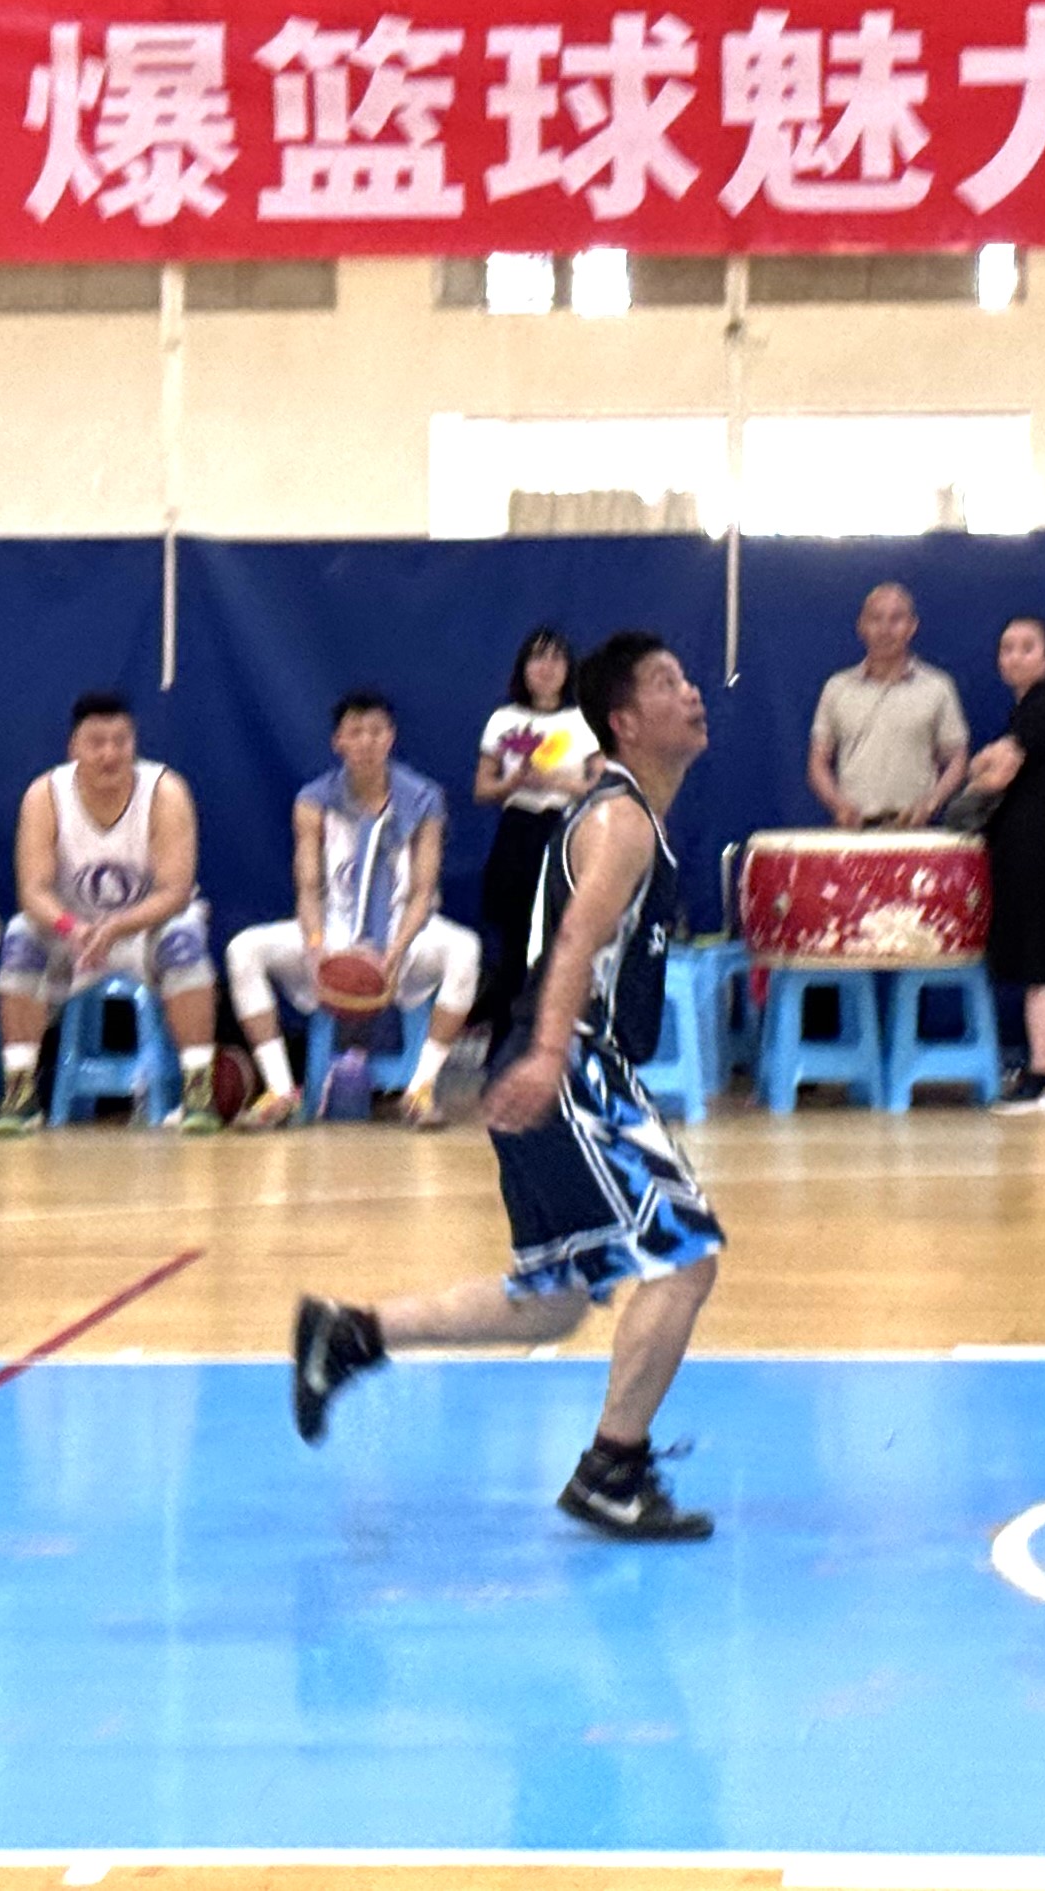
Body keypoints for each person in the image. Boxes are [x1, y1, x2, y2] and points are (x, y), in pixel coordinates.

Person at [290, 631, 726, 1542]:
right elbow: (573, 942)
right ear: (623, 720)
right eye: (667, 682)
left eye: (688, 679)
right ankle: (612, 1469)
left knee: (556, 1298)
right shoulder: (621, 821)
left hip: (562, 1062)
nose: (691, 692)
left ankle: (352, 1333)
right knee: (684, 1257)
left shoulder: (629, 812)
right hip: (570, 1065)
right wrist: (550, 1053)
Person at [229, 693, 482, 1129]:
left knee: (466, 949)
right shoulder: (314, 801)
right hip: (334, 932)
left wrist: (395, 952)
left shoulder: (423, 799)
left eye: (376, 732)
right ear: (338, 741)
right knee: (243, 949)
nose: (366, 742)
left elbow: (423, 891)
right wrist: (316, 947)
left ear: (391, 738)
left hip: (405, 934)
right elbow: (309, 888)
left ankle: (420, 1089)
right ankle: (280, 1090)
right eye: (356, 732)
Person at [0, 693, 218, 1135]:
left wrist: (116, 926)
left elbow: (175, 892)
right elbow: (33, 890)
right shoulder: (45, 794)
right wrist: (71, 927)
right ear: (73, 747)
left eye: (121, 741)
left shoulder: (165, 791)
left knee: (184, 940)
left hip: (144, 928)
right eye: (97, 742)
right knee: (21, 937)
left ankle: (198, 1087)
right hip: (73, 932)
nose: (110, 753)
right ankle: (20, 1091)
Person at [971, 614, 1045, 1112]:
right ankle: (1043, 1068)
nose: (1014, 656)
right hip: (1017, 849)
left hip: (1039, 851)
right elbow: (990, 762)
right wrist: (987, 759)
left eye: (1027, 647)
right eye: (1007, 647)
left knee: (1043, 965)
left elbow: (994, 774)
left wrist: (982, 766)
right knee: (1034, 964)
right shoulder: (1025, 710)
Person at [471, 630, 602, 1044]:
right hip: (518, 834)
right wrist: (512, 783)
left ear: (568, 668)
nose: (546, 668)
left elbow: (601, 785)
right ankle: (505, 1045)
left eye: (555, 659)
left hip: (565, 833)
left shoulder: (583, 720)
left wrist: (556, 782)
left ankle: (560, 1044)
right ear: (523, 668)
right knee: (514, 943)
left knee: (564, 938)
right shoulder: (503, 719)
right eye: (537, 658)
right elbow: (482, 789)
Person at [807, 582, 969, 829]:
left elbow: (957, 757)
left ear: (912, 626)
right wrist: (838, 806)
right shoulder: (837, 688)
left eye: (896, 619)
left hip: (914, 831)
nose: (885, 629)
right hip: (853, 832)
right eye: (876, 619)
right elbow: (818, 761)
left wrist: (930, 804)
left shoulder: (938, 687)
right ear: (861, 626)